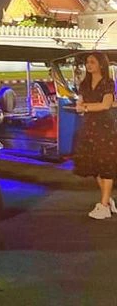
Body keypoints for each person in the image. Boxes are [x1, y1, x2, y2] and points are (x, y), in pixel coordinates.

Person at [72, 52, 117, 220]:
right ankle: (107, 199)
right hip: (89, 127)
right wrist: (83, 106)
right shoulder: (84, 83)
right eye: (87, 62)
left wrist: (85, 107)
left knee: (106, 164)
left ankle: (104, 205)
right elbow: (79, 103)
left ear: (101, 65)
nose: (88, 65)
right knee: (95, 166)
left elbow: (105, 105)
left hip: (105, 127)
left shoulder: (108, 83)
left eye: (92, 62)